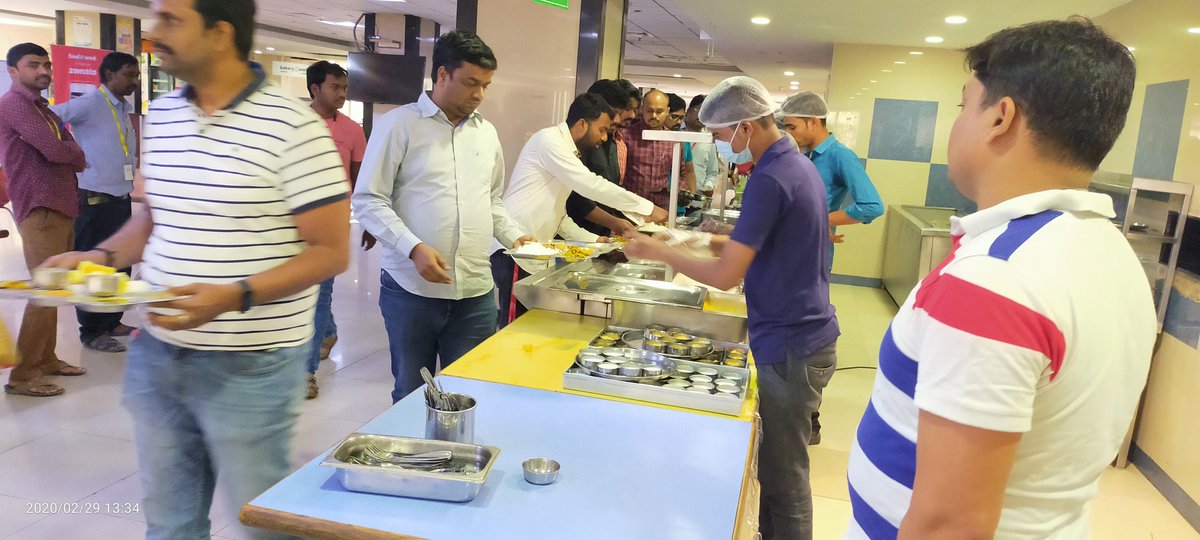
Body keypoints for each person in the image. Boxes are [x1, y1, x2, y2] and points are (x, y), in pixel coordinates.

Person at [43, 0, 350, 537]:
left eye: (171, 20)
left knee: (261, 525)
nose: (153, 33)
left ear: (220, 34)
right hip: (158, 353)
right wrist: (99, 257)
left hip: (250, 366)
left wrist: (234, 295)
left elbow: (330, 251)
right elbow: (150, 221)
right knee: (170, 524)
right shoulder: (161, 115)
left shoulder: (293, 126)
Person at [845, 19, 1154, 539]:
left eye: (965, 105)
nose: (958, 123)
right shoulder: (1108, 251)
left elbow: (951, 524)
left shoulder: (996, 280)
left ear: (1000, 118)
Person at [625, 76, 838, 540]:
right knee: (782, 470)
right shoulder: (795, 166)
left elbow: (726, 276)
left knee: (784, 479)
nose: (722, 147)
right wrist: (695, 239)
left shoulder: (771, 175)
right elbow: (755, 244)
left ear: (745, 126)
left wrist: (657, 252)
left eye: (721, 137)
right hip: (805, 335)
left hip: (791, 343)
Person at [353, 31, 533, 404]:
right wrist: (413, 247)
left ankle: (459, 458)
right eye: (471, 83)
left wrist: (515, 236)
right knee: (410, 391)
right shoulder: (399, 126)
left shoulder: (486, 134)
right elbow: (370, 200)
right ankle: (415, 459)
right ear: (441, 75)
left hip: (475, 291)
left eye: (485, 85)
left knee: (468, 390)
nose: (479, 94)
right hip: (411, 291)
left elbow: (492, 200)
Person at [491, 93, 668, 327]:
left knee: (528, 325)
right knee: (513, 326)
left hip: (535, 252)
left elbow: (559, 216)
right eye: (602, 129)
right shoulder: (549, 141)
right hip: (516, 249)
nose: (604, 138)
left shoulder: (568, 149)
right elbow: (591, 184)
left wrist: (597, 240)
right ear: (582, 123)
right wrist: (647, 208)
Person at [778, 91, 884, 445]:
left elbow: (871, 206)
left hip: (812, 259)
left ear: (813, 121)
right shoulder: (804, 154)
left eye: (792, 126)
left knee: (808, 336)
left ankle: (810, 418)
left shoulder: (839, 156)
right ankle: (788, 405)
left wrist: (822, 222)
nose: (788, 133)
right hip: (792, 254)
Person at [0, 43, 88, 398]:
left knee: (55, 290)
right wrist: (72, 154)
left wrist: (71, 153)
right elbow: (57, 149)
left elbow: (70, 147)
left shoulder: (43, 110)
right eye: (33, 65)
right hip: (39, 207)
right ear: (13, 71)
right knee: (44, 291)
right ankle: (22, 375)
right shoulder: (13, 106)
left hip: (60, 206)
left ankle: (46, 357)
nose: (43, 71)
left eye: (46, 65)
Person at [50, 51, 141, 354]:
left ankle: (112, 321)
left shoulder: (121, 107)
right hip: (94, 199)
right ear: (109, 75)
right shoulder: (90, 103)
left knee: (120, 265)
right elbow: (50, 118)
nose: (135, 81)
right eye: (129, 74)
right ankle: (91, 331)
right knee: (94, 267)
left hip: (119, 197)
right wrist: (67, 154)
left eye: (136, 74)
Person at [304, 59, 367, 399]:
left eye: (344, 88)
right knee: (306, 291)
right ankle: (328, 332)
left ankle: (305, 371)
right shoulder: (294, 125)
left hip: (332, 226)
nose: (342, 94)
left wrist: (366, 219)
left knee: (319, 293)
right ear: (315, 89)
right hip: (292, 225)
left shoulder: (352, 130)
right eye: (335, 87)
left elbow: (360, 179)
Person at [565, 78, 644, 238]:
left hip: (596, 235)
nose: (630, 115)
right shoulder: (576, 143)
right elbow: (581, 196)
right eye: (622, 111)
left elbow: (611, 185)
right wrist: (645, 209)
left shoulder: (613, 141)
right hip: (580, 232)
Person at [622, 88, 678, 207]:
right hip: (631, 206)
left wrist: (677, 192)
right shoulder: (626, 135)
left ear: (667, 111)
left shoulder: (673, 140)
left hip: (661, 207)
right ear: (642, 109)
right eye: (649, 110)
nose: (654, 116)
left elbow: (682, 172)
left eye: (659, 111)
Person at [685, 94, 721, 195]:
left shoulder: (709, 140)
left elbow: (712, 172)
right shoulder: (674, 134)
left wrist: (708, 186)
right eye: (699, 111)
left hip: (697, 199)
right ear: (688, 111)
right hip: (673, 197)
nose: (702, 116)